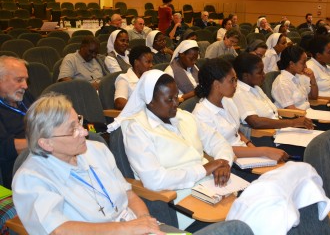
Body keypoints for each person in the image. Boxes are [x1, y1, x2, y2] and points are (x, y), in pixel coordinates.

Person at [12, 94, 166, 235]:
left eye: (79, 121)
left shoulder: (96, 149)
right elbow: (57, 230)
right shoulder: (30, 179)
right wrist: (127, 228)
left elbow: (128, 194)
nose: (84, 132)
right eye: (72, 130)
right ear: (46, 143)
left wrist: (146, 222)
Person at [108, 70, 233, 230]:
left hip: (216, 188)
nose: (176, 103)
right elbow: (155, 180)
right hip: (181, 201)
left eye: (176, 97)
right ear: (149, 101)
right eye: (169, 99)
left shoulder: (185, 117)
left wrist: (223, 164)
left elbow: (218, 141)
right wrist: (204, 169)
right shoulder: (137, 130)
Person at [193, 58, 288, 165]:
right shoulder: (201, 114)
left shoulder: (227, 101)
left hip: (247, 154)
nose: (236, 85)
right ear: (216, 84)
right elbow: (220, 149)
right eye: (232, 80)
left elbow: (236, 131)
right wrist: (263, 151)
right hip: (229, 163)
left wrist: (251, 146)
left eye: (236, 80)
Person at [232, 53, 314, 133]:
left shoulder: (256, 88)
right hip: (267, 136)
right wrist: (293, 123)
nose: (264, 75)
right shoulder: (239, 93)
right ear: (246, 76)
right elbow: (256, 122)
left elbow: (273, 112)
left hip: (278, 128)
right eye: (259, 72)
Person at [0, 56, 34, 189]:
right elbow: (4, 147)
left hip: (44, 155)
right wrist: (45, 142)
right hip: (19, 169)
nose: (25, 86)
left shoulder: (25, 97)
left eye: (26, 80)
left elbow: (45, 116)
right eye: (19, 80)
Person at [272, 45, 318, 110]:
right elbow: (291, 110)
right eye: (303, 63)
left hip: (308, 112)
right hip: (299, 117)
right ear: (291, 64)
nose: (306, 66)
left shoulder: (297, 77)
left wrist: (312, 79)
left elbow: (314, 97)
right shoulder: (282, 83)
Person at [114, 46, 153, 110]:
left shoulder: (150, 77)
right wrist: (143, 107)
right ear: (136, 62)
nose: (151, 65)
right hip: (135, 117)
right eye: (148, 62)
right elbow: (119, 103)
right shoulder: (124, 79)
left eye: (151, 62)